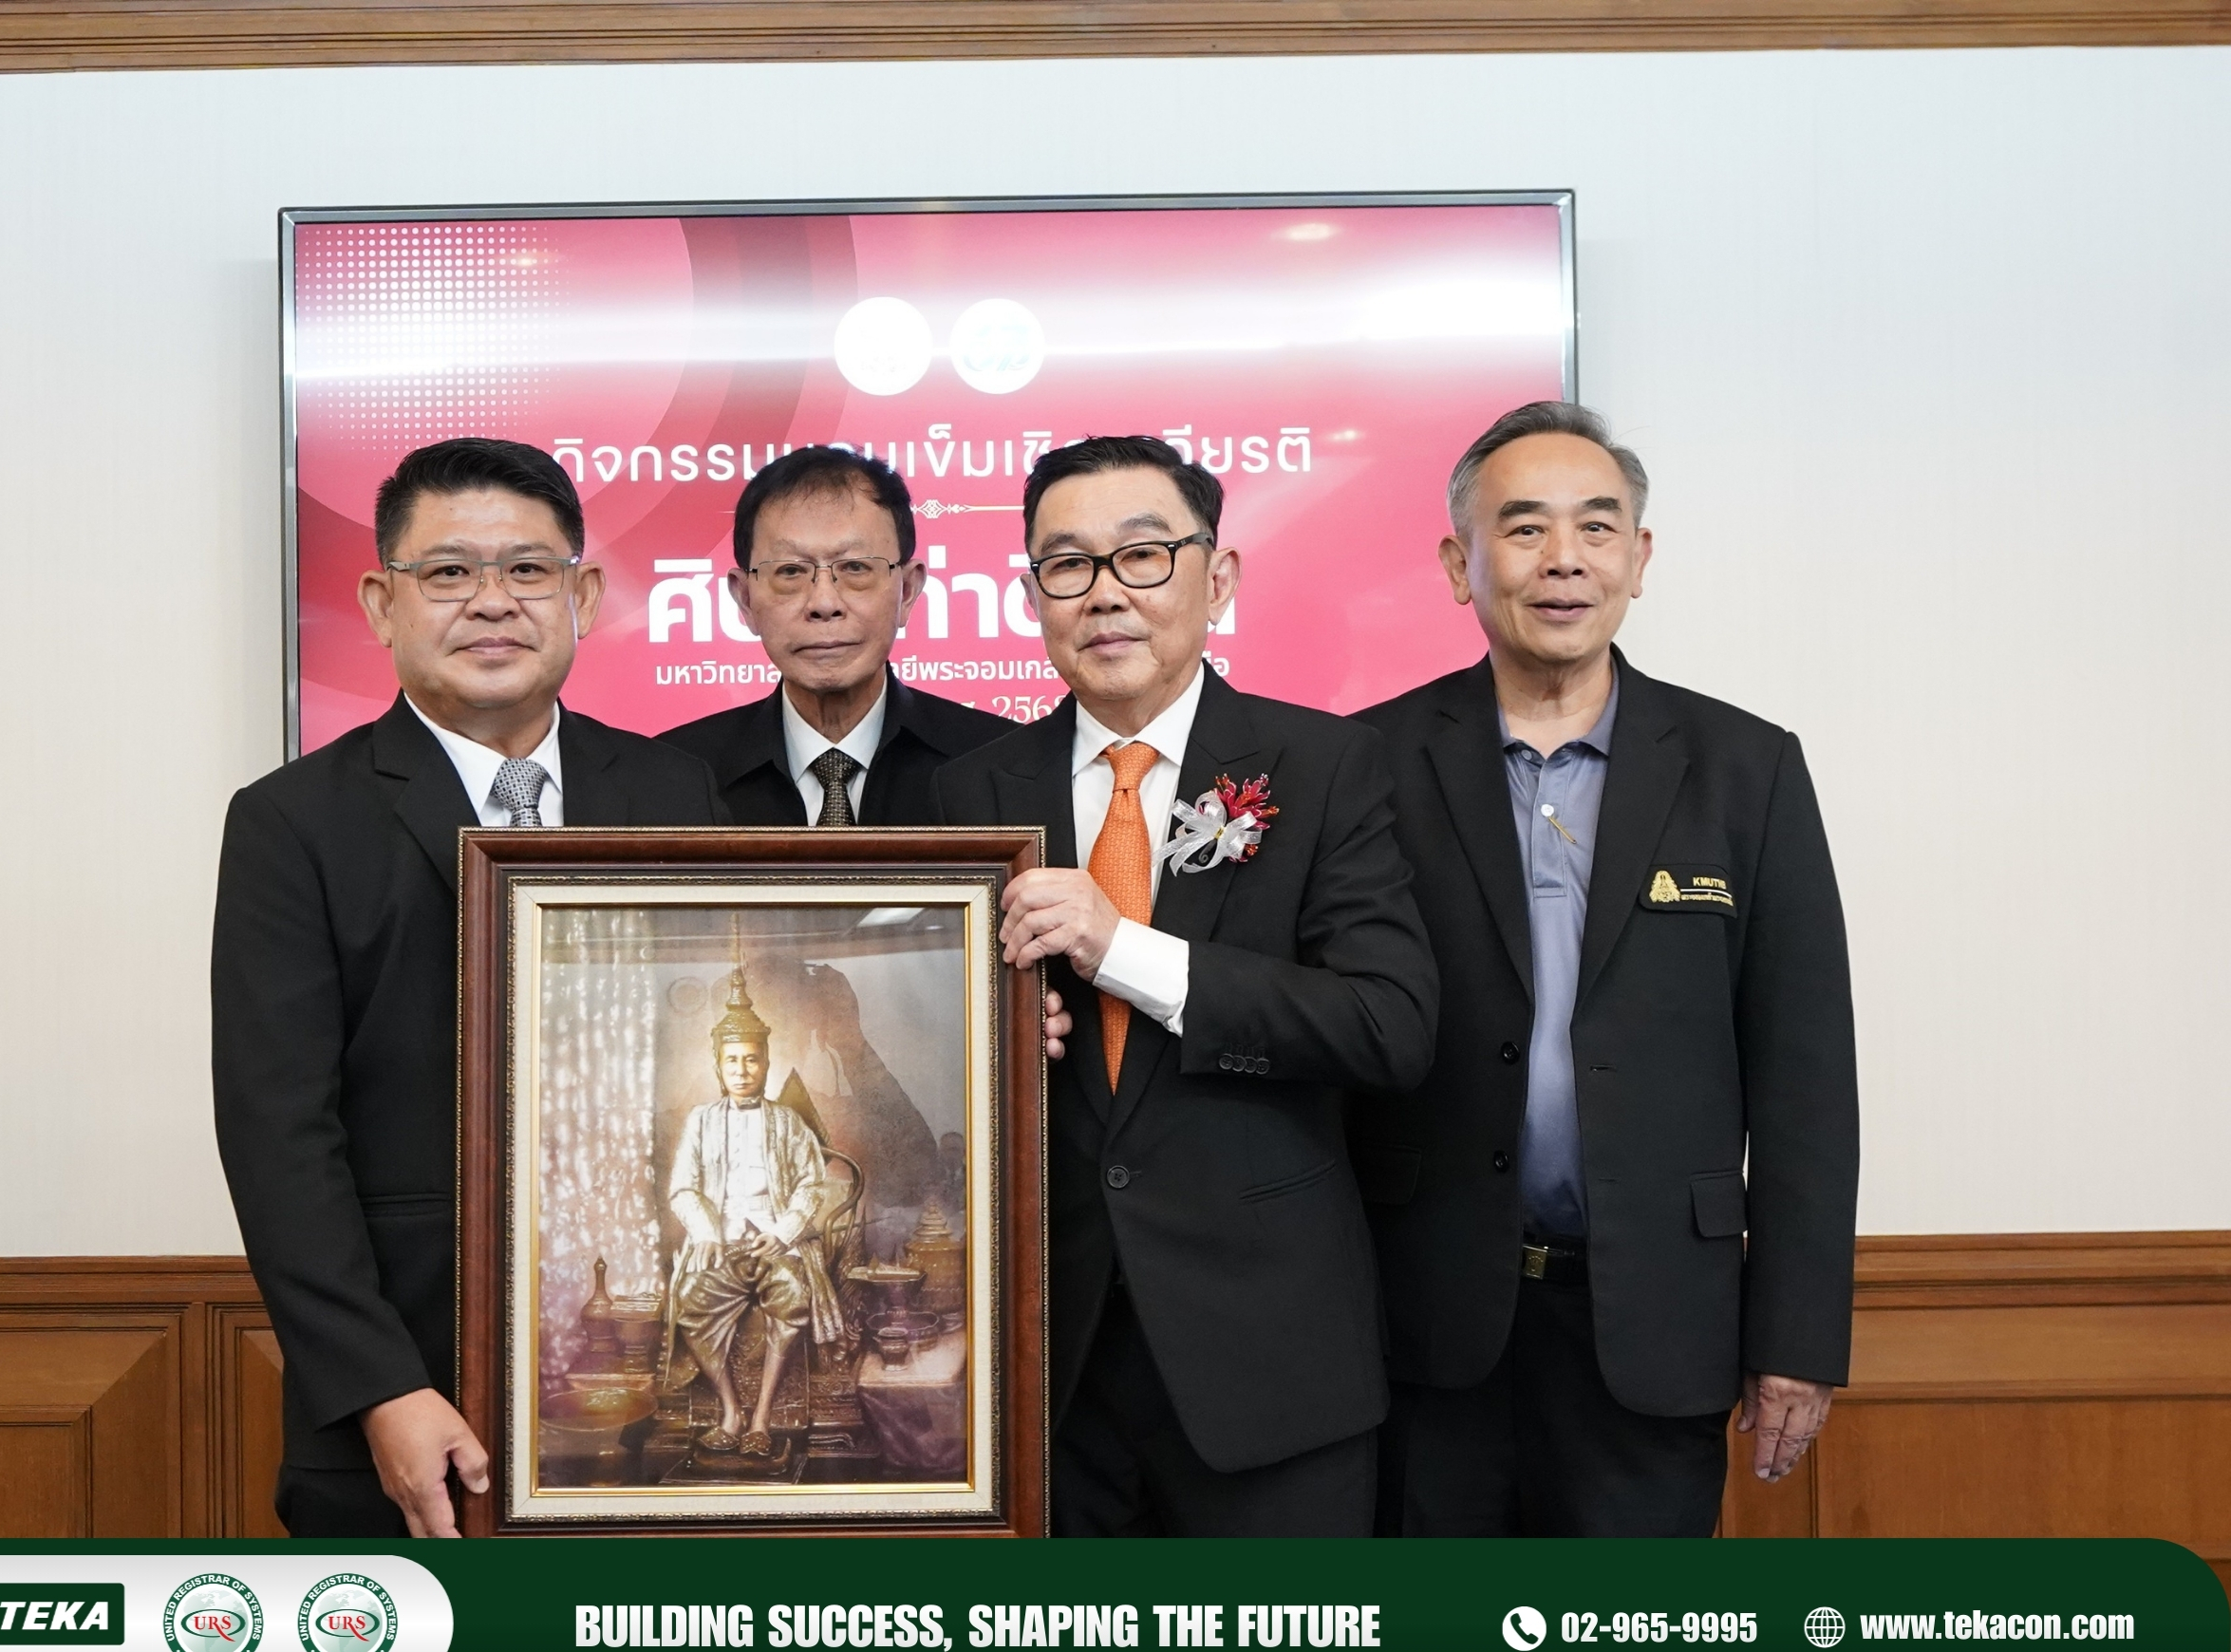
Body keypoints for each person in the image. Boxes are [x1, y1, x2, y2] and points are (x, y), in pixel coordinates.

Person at [1349, 402, 1858, 1537]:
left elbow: (1806, 1080)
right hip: (1422, 1326)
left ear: (1639, 556)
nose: (1564, 559)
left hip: (1657, 1329)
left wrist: (1796, 1335)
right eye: (1524, 527)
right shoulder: (1365, 764)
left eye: (1596, 526)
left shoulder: (1747, 770)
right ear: (1460, 565)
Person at [212, 438, 726, 1539]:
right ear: (381, 603)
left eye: (528, 569)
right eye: (449, 572)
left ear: (583, 596)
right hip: (416, 1389)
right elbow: (277, 1135)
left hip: (668, 1377)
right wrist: (381, 1389)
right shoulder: (292, 824)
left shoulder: (679, 792)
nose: (493, 601)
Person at [934, 435, 1437, 1535]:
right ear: (1030, 595)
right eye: (1068, 564)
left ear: (1219, 579)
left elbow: (1387, 1025)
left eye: (1142, 555)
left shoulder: (1323, 767)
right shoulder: (968, 794)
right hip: (1045, 1369)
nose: (1105, 593)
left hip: (1269, 1360)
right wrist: (985, 1039)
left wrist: (1122, 951)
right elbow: (931, 1069)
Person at [660, 446, 1012, 825]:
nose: (824, 603)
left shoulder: (1001, 767)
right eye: (790, 571)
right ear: (745, 599)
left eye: (855, 567)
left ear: (907, 591)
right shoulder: (670, 777)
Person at [662, 964, 847, 1458]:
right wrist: (705, 1233)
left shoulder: (788, 1122)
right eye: (732, 1061)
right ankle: (730, 1411)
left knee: (793, 1297)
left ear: (766, 1063)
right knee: (691, 1302)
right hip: (719, 1242)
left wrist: (783, 1233)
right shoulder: (700, 1121)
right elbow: (683, 1188)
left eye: (751, 1060)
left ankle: (762, 1418)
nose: (742, 1070)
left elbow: (811, 1186)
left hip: (774, 1240)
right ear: (718, 1067)